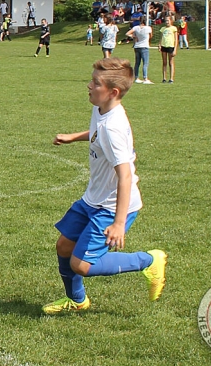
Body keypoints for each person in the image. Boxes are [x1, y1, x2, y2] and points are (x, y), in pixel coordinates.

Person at [43, 58, 166, 314]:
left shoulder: (114, 127)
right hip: (93, 199)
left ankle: (149, 260)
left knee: (82, 265)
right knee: (64, 246)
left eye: (95, 83)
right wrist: (74, 137)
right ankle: (77, 301)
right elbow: (96, 132)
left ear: (113, 92)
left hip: (111, 206)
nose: (89, 85)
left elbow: (125, 176)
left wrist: (119, 223)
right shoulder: (101, 109)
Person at [125, 19, 152, 84]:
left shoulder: (136, 28)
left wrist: (134, 36)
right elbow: (151, 36)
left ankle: (136, 77)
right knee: (145, 63)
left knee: (137, 63)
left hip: (137, 46)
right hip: (144, 46)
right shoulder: (148, 28)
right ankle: (145, 78)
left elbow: (127, 33)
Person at [159, 18, 177, 83]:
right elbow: (161, 38)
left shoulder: (173, 28)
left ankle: (171, 78)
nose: (167, 22)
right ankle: (164, 78)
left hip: (170, 46)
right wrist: (159, 45)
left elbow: (176, 39)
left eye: (168, 20)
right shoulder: (163, 29)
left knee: (171, 62)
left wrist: (175, 49)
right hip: (164, 46)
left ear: (171, 21)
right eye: (166, 21)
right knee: (164, 62)